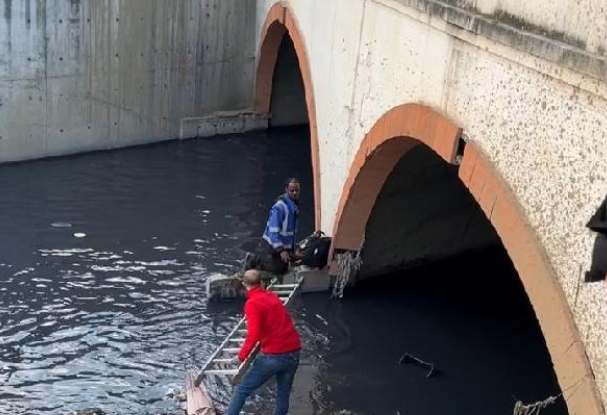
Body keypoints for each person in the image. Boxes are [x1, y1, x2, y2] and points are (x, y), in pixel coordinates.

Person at [224, 269, 301, 415]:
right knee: (283, 395)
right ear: (261, 283)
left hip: (274, 356)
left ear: (244, 284)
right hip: (294, 352)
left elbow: (253, 334)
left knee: (242, 390)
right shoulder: (272, 296)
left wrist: (241, 357)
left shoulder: (252, 304)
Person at [242, 178, 301, 274]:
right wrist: (281, 250)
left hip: (283, 244)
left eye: (297, 190)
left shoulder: (293, 206)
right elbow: (273, 232)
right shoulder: (280, 208)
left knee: (285, 265)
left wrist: (291, 251)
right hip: (273, 244)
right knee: (279, 270)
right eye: (292, 191)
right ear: (286, 190)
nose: (295, 193)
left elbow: (290, 231)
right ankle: (254, 259)